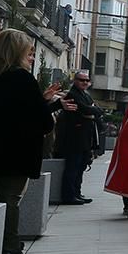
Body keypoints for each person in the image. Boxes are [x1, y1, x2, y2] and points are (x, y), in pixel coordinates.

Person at [0, 29, 62, 254]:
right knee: (11, 200)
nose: (31, 57)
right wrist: (46, 107)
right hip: (18, 151)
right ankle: (10, 249)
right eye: (29, 52)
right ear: (17, 51)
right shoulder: (22, 78)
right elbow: (40, 120)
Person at [55, 69, 102, 205]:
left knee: (81, 167)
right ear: (75, 81)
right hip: (75, 138)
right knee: (72, 167)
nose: (85, 82)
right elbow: (85, 109)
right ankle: (69, 195)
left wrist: (91, 111)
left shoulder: (85, 95)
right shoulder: (73, 94)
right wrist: (90, 111)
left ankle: (76, 192)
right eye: (82, 80)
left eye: (87, 80)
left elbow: (94, 110)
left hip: (85, 137)